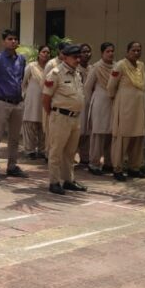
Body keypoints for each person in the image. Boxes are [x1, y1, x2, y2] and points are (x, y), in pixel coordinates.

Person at [0, 29, 29, 181]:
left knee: (15, 138)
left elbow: (21, 78)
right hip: (1, 102)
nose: (13, 41)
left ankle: (12, 166)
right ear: (4, 41)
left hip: (17, 103)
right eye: (10, 39)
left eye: (15, 39)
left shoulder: (21, 59)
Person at [43, 44, 87, 195]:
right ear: (65, 57)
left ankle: (68, 180)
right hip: (60, 117)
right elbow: (46, 98)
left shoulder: (77, 74)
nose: (78, 59)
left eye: (79, 57)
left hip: (75, 118)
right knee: (56, 150)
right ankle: (54, 182)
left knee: (70, 152)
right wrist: (53, 114)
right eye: (75, 57)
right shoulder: (55, 73)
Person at [108, 41, 145, 181]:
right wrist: (117, 101)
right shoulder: (120, 65)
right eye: (133, 50)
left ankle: (134, 168)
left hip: (139, 107)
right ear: (127, 51)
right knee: (123, 137)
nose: (136, 53)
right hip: (125, 106)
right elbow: (111, 86)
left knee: (138, 137)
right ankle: (117, 169)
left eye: (138, 50)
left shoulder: (141, 65)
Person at [84, 43, 116, 174]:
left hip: (113, 104)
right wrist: (91, 102)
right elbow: (87, 88)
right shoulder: (96, 67)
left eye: (112, 51)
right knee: (98, 135)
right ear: (102, 53)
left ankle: (109, 163)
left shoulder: (117, 67)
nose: (110, 53)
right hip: (99, 104)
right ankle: (94, 164)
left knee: (111, 134)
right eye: (108, 51)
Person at [22, 44, 51, 160]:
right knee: (30, 124)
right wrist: (25, 94)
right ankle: (29, 150)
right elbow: (23, 82)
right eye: (43, 52)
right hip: (32, 99)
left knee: (43, 125)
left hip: (45, 100)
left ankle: (42, 150)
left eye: (48, 52)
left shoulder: (51, 68)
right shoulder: (31, 66)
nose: (46, 54)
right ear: (39, 53)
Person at [77, 43, 93, 167]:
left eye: (88, 51)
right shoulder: (75, 69)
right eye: (84, 52)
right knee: (78, 132)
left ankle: (85, 158)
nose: (86, 54)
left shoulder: (93, 69)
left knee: (88, 132)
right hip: (78, 104)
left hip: (90, 103)